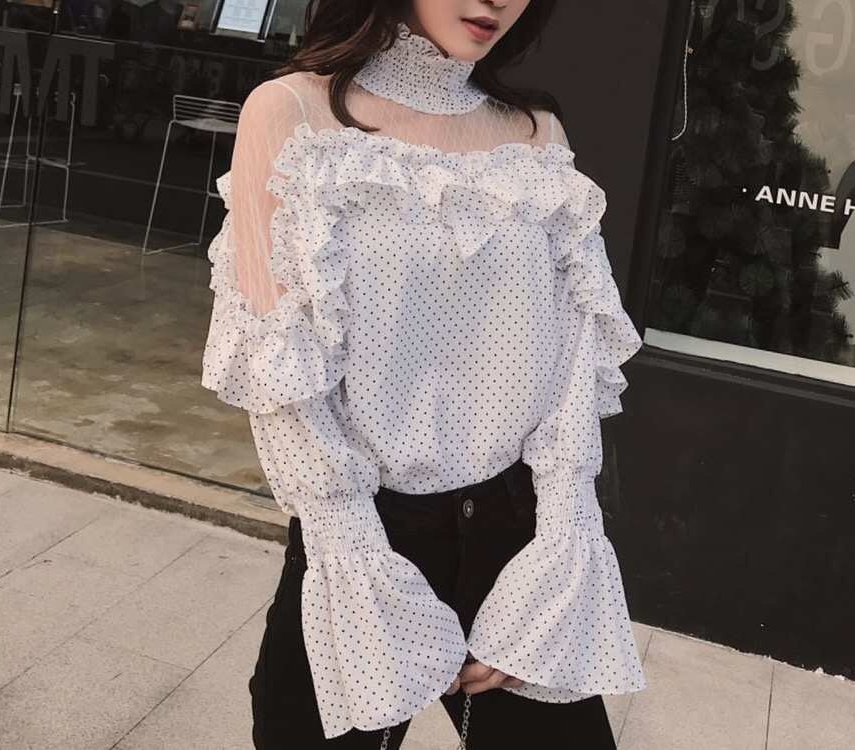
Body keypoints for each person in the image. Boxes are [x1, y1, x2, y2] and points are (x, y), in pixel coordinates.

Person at [200, 1, 648, 747]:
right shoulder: (291, 114)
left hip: (518, 533)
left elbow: (574, 361)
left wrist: (558, 552)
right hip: (360, 535)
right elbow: (278, 364)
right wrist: (358, 560)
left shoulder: (537, 134)